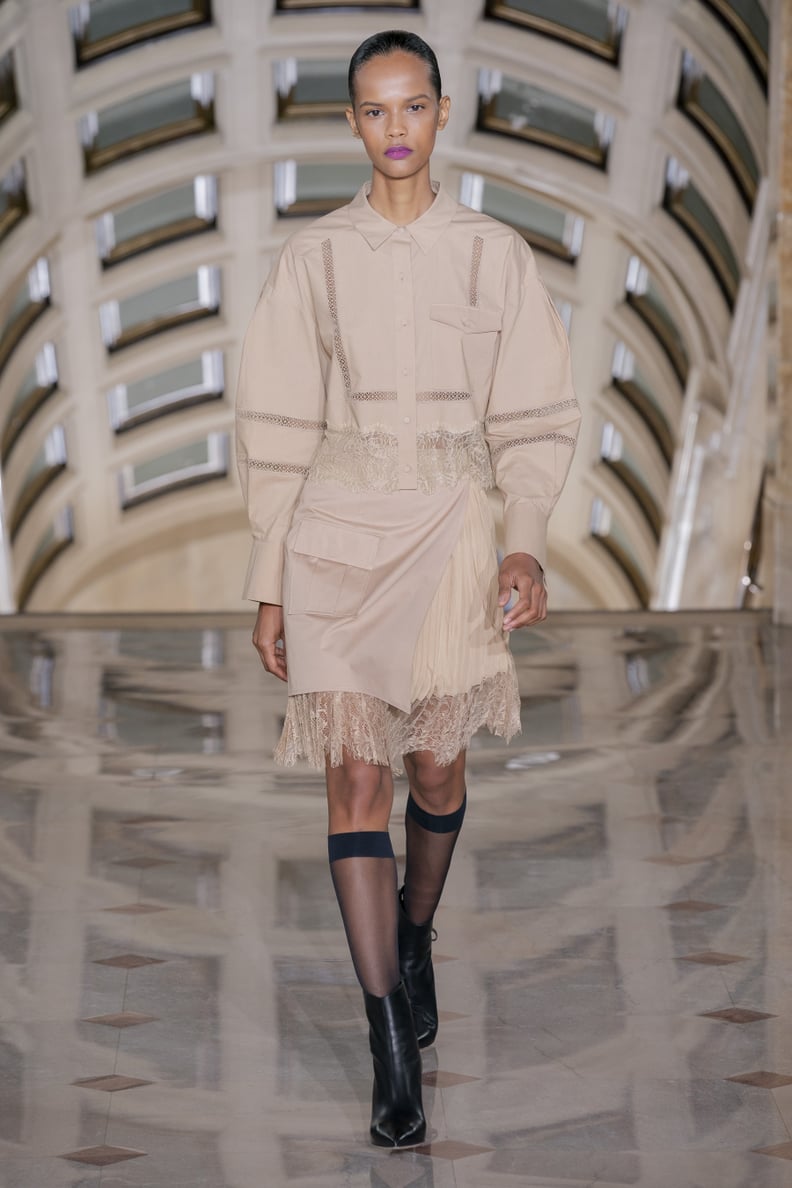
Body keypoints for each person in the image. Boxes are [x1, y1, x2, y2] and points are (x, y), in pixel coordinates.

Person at [235, 30, 580, 1148]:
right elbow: (276, 426)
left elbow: (534, 413)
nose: (394, 129)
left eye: (411, 107)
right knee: (354, 780)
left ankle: (416, 934)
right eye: (374, 112)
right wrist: (269, 580)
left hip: (451, 531)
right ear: (352, 125)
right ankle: (390, 1039)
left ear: (442, 113)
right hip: (337, 532)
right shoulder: (313, 261)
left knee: (437, 763)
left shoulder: (493, 253)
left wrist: (524, 542)